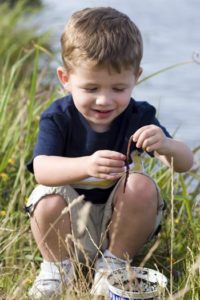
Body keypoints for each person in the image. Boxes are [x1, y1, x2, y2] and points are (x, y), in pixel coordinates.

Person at [25, 6, 193, 299]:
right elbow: (42, 169)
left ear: (136, 77)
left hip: (121, 227)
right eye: (90, 88)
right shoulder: (58, 117)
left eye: (118, 88)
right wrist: (87, 166)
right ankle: (57, 269)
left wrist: (166, 145)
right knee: (46, 197)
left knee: (141, 184)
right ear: (65, 78)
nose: (104, 100)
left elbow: (185, 163)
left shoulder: (138, 116)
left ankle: (113, 264)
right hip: (68, 226)